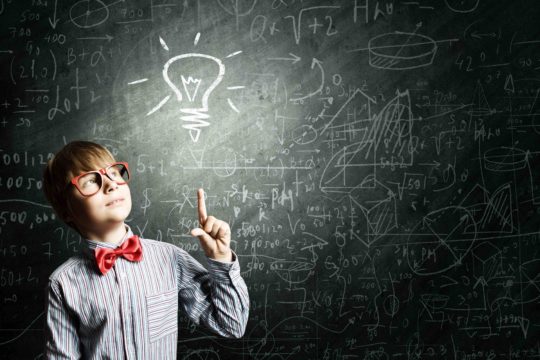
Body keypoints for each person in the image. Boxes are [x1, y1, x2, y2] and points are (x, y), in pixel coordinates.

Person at [42, 140, 249, 359]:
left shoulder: (170, 258)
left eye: (114, 172)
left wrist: (221, 258)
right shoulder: (62, 283)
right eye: (91, 181)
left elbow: (231, 325)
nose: (110, 184)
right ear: (66, 210)